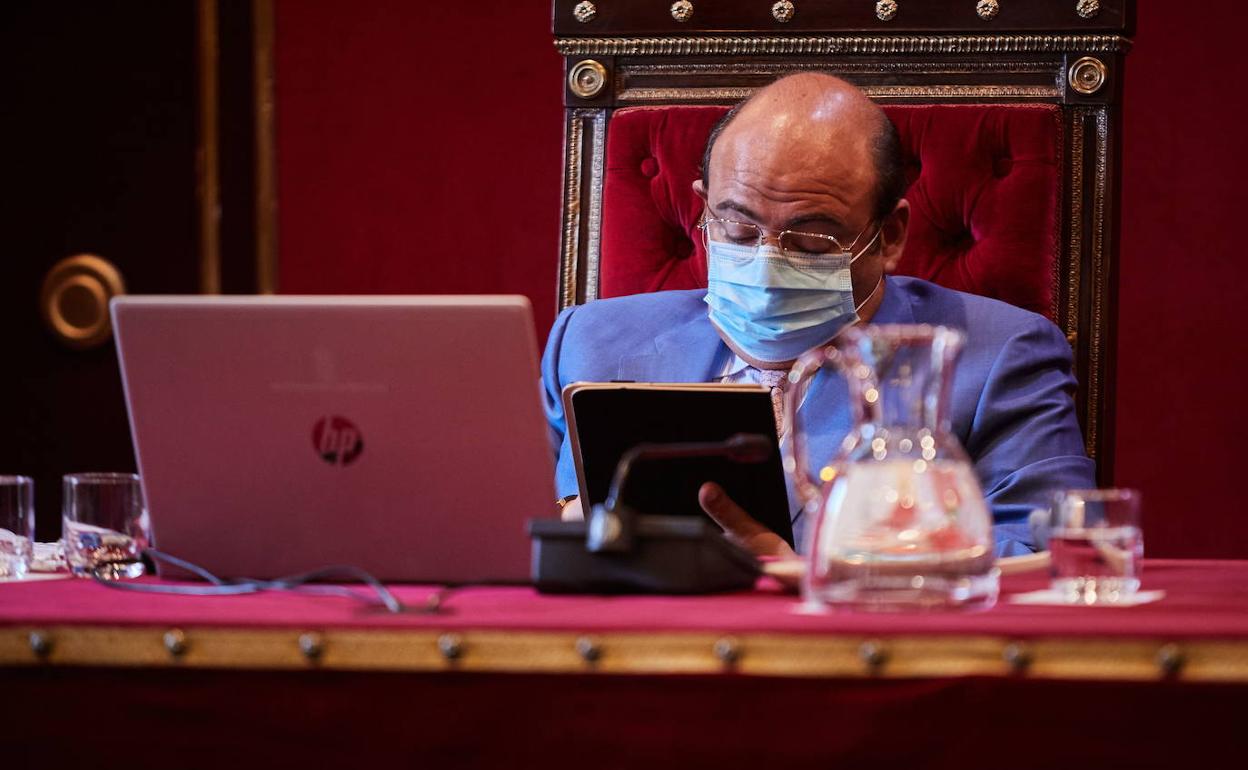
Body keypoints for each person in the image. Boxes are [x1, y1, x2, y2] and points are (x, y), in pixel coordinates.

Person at [540, 73, 1094, 559]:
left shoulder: (999, 356)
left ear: (890, 236)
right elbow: (519, 527)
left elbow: (1044, 553)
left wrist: (806, 569)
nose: (766, 262)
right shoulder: (591, 342)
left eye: (811, 240)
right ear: (704, 205)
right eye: (738, 229)